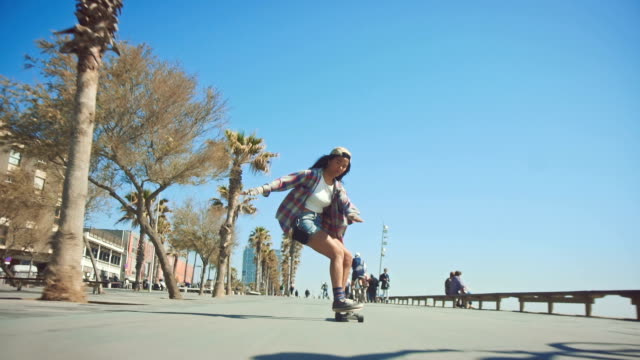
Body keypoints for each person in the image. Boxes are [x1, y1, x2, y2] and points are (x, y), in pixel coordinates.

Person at [243, 147, 364, 312]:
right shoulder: (312, 175)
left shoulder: (337, 187)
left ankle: (340, 300)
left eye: (344, 166)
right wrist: (262, 189)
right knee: (337, 253)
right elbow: (285, 181)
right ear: (329, 160)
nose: (340, 168)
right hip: (302, 220)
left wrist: (353, 214)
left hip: (320, 223)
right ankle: (339, 300)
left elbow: (346, 203)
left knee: (348, 258)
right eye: (338, 163)